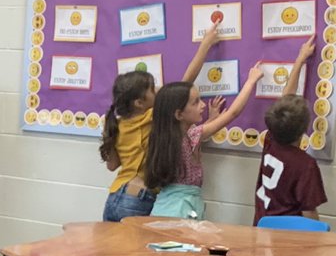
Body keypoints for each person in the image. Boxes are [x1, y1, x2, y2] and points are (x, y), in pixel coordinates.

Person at [100, 23, 222, 222]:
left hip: (115, 196)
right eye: (152, 89)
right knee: (139, 253)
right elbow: (186, 81)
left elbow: (112, 165)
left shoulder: (113, 122)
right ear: (140, 103)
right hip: (139, 197)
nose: (158, 90)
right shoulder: (152, 117)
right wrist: (205, 46)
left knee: (112, 252)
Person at [144, 61, 265, 219]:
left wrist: (212, 119)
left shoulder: (166, 137)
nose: (202, 105)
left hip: (168, 207)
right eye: (195, 102)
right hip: (179, 212)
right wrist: (251, 81)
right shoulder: (189, 137)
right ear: (179, 114)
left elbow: (196, 136)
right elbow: (233, 113)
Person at [254, 37, 326, 223]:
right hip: (288, 238)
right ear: (304, 128)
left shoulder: (271, 141)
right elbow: (310, 213)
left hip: (261, 227)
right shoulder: (305, 164)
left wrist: (300, 59)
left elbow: (284, 99)